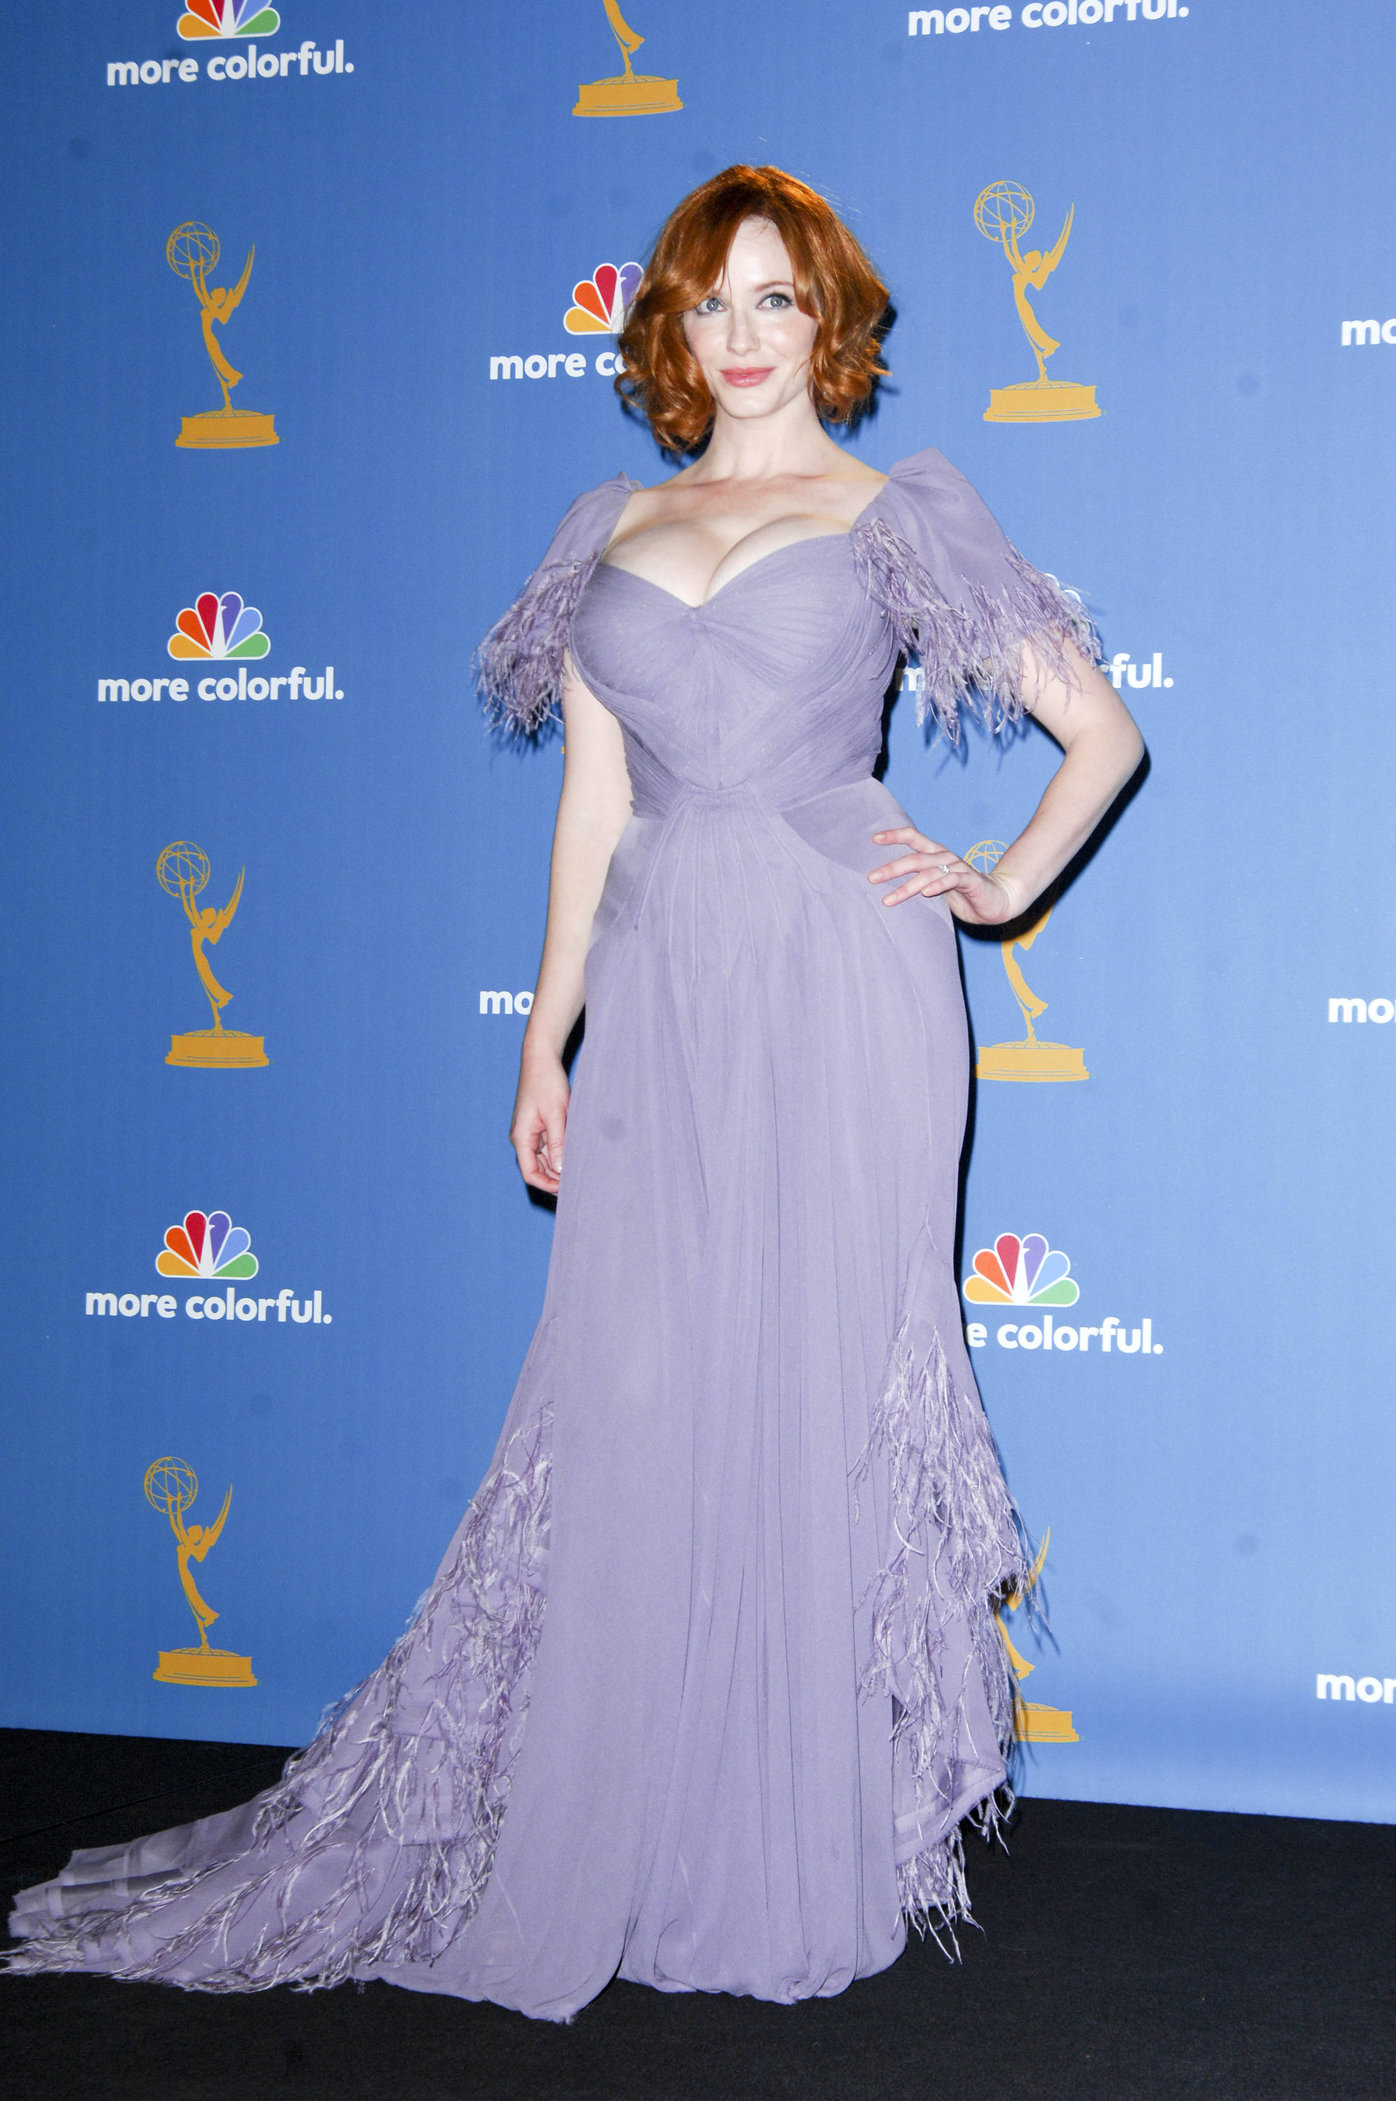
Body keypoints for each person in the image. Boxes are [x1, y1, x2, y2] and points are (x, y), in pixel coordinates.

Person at [5, 166, 1142, 2021]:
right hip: (666, 988)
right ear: (672, 334)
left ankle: (792, 1852)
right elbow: (594, 811)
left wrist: (1000, 877)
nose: (749, 333)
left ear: (830, 319)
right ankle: (624, 1816)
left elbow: (1105, 730)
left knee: (812, 1387)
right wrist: (546, 1035)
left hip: (845, 981)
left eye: (780, 299)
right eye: (713, 305)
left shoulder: (894, 514)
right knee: (634, 1389)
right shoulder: (607, 521)